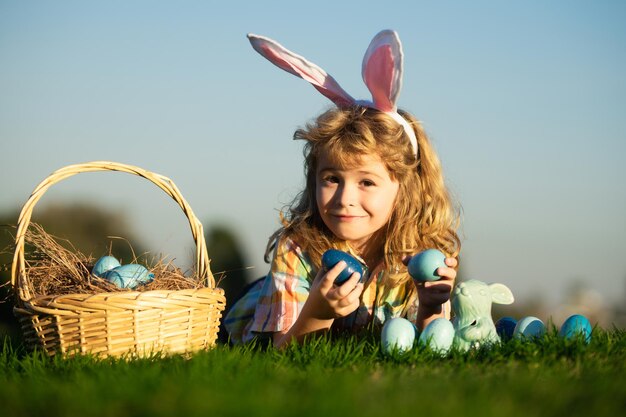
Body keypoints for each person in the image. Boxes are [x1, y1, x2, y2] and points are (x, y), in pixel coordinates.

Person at [224, 30, 460, 347]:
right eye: (332, 178)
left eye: (366, 182)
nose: (345, 199)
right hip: (258, 326)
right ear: (314, 178)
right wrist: (319, 313)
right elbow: (280, 351)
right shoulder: (298, 247)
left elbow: (427, 346)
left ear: (405, 187)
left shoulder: (421, 253)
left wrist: (431, 308)